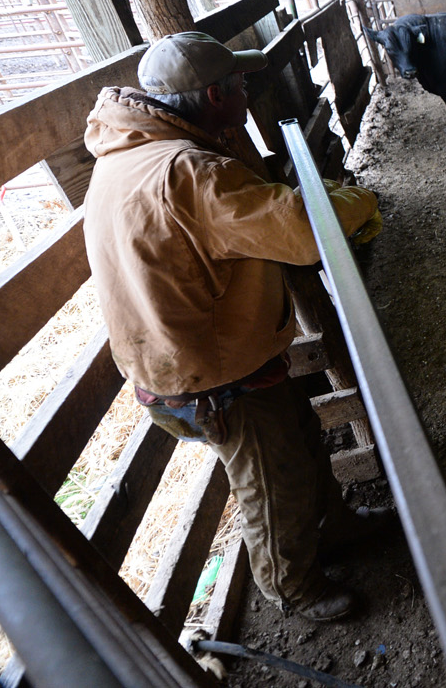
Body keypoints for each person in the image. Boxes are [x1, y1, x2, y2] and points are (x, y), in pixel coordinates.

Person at [82, 32, 386, 622]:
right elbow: (301, 228)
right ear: (216, 94)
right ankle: (291, 587)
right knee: (270, 480)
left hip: (186, 355)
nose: (248, 91)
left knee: (297, 437)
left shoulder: (126, 154)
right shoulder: (191, 172)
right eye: (242, 85)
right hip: (212, 373)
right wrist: (358, 200)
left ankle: (335, 528)